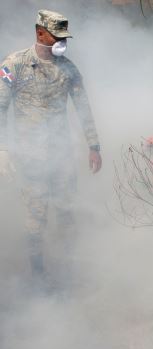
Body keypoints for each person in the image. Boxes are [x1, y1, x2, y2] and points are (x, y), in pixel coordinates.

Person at [0, 10, 102, 287]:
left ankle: (68, 270)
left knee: (67, 212)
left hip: (62, 155)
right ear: (39, 33)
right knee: (35, 218)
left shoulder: (68, 69)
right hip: (30, 157)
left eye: (64, 37)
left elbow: (83, 107)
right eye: (56, 36)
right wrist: (3, 150)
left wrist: (94, 145)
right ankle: (37, 274)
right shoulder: (15, 64)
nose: (60, 42)